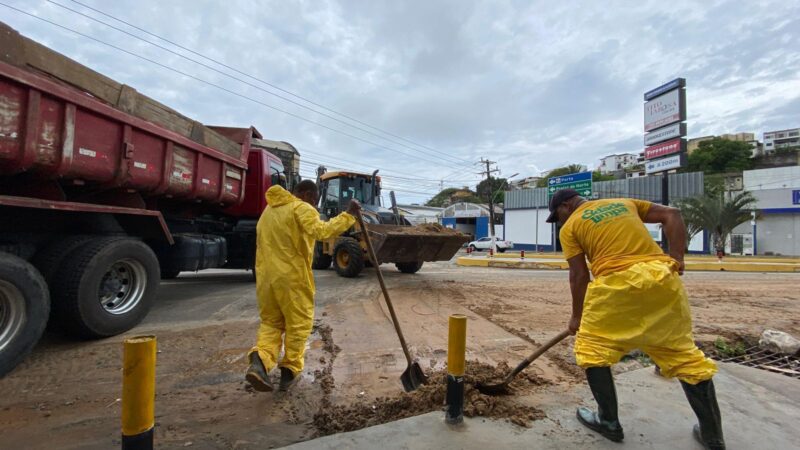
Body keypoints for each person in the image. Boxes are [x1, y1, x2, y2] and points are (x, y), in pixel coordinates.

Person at [547, 188, 724, 450]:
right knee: (682, 354)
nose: (559, 222)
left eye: (557, 216)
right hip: (662, 280)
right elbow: (672, 214)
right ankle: (713, 436)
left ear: (565, 206)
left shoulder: (571, 226)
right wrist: (677, 258)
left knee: (591, 349)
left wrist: (577, 317)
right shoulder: (624, 203)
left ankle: (608, 422)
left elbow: (579, 276)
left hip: (616, 286)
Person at [246, 180, 360, 392]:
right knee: (298, 325)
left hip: (266, 280)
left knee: (271, 323)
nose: (315, 205)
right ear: (307, 194)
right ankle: (289, 371)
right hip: (292, 279)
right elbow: (322, 231)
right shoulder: (301, 208)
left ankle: (259, 361)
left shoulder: (268, 212)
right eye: (315, 200)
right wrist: (349, 215)